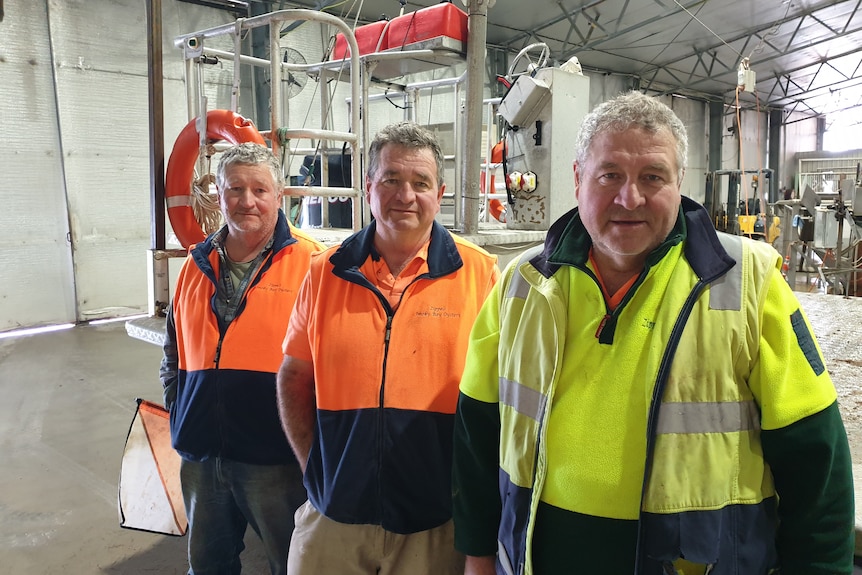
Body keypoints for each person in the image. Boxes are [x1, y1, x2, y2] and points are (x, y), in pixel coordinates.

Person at [452, 91, 854, 575]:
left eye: (652, 177)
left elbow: (817, 462)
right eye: (610, 175)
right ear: (578, 179)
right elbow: (477, 437)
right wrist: (477, 557)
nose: (630, 197)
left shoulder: (745, 282)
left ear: (679, 182)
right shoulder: (521, 284)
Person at [276, 121, 500, 575]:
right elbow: (294, 376)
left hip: (434, 521)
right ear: (368, 187)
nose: (405, 195)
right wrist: (315, 470)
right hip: (334, 513)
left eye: (420, 183)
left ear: (440, 193)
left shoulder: (480, 275)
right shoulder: (325, 272)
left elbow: (498, 402)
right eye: (391, 180)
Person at [160, 142, 324, 575]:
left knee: (291, 564)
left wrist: (312, 446)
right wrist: (181, 414)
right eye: (235, 189)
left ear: (279, 195)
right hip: (201, 455)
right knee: (208, 565)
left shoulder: (315, 264)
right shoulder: (196, 264)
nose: (246, 201)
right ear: (218, 193)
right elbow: (173, 353)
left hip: (276, 457)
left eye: (259, 190)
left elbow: (334, 364)